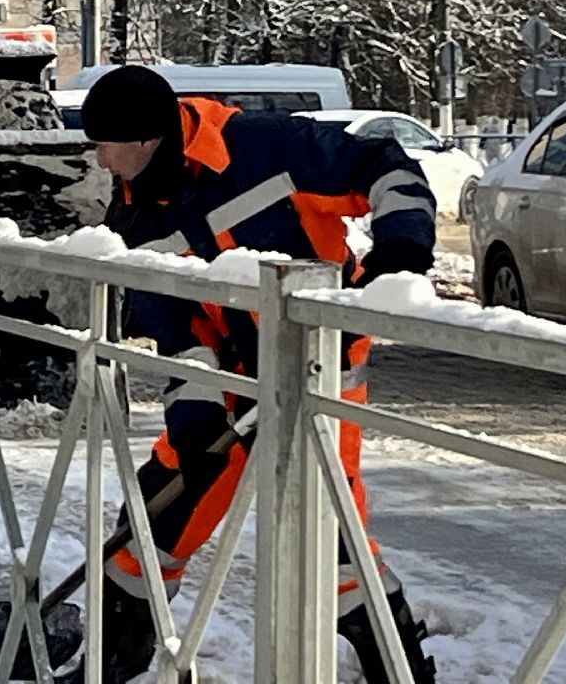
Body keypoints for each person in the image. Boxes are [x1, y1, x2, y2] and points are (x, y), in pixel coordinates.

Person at [82, 66, 438, 683]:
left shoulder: (267, 148)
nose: (101, 160)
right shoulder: (137, 217)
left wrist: (401, 249)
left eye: (106, 145)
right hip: (232, 379)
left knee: (329, 540)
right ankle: (118, 656)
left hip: (319, 364)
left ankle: (397, 667)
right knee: (153, 519)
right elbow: (177, 329)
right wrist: (195, 415)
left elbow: (387, 166)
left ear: (145, 139)